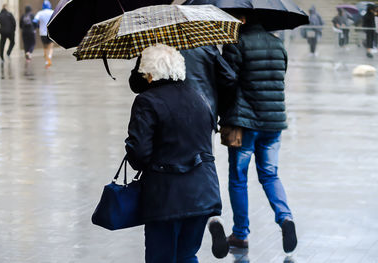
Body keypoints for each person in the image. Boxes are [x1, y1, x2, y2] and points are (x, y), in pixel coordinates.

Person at [125, 43, 224, 263]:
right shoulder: (199, 97)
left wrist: (131, 147)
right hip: (201, 194)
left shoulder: (146, 102)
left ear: (150, 73)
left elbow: (139, 154)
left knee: (161, 257)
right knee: (187, 255)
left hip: (166, 197)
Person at [220, 11, 297, 253]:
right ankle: (285, 217)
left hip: (240, 123)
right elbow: (279, 79)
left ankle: (240, 234)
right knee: (270, 175)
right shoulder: (278, 44)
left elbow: (227, 81)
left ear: (242, 20)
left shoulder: (236, 43)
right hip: (273, 122)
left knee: (238, 178)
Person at [34, 1, 54, 68]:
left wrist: (38, 27)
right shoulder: (52, 12)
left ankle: (46, 61)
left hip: (42, 33)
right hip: (51, 33)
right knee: (50, 46)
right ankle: (49, 57)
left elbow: (34, 21)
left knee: (45, 47)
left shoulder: (40, 13)